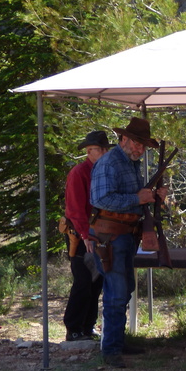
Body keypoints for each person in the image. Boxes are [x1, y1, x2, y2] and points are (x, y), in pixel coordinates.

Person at [90, 117, 167, 368]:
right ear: (123, 139)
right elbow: (101, 200)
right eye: (136, 143)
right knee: (116, 293)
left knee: (124, 291)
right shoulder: (109, 162)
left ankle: (117, 342)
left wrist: (153, 196)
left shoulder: (129, 163)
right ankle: (110, 350)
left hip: (125, 236)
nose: (140, 149)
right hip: (110, 237)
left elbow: (136, 198)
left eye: (143, 146)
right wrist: (138, 197)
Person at [62, 131, 110, 342]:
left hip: (101, 233)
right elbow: (74, 210)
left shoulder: (107, 171)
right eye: (89, 150)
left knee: (96, 282)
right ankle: (73, 329)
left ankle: (88, 328)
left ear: (105, 151)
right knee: (82, 281)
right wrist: (85, 235)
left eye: (95, 150)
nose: (91, 154)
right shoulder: (79, 173)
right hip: (80, 233)